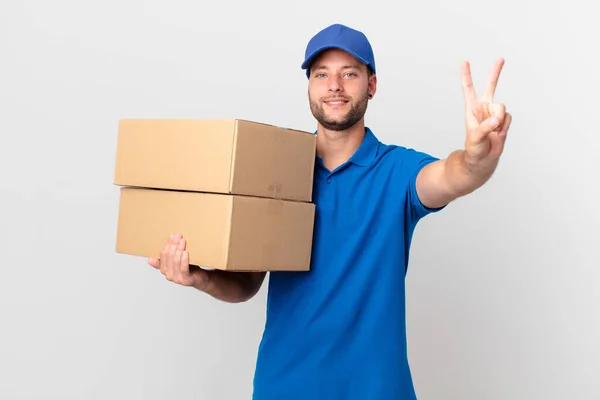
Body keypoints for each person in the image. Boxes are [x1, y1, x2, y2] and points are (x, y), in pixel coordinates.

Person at [147, 23, 512, 400]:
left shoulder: (397, 171)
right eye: (322, 74)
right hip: (283, 388)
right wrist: (201, 278)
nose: (334, 85)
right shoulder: (276, 174)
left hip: (376, 391)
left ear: (371, 85)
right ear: (309, 85)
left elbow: (456, 175)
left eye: (349, 73)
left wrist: (476, 156)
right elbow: (247, 283)